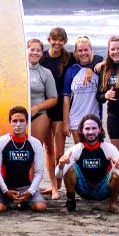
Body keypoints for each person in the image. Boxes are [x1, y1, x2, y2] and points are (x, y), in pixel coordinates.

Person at [56, 114, 119, 213]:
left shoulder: (109, 148)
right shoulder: (76, 149)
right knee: (69, 168)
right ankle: (70, 203)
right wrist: (61, 165)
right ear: (81, 131)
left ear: (100, 130)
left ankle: (113, 204)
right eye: (87, 128)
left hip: (103, 188)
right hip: (83, 188)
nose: (91, 132)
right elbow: (58, 174)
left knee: (117, 174)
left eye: (94, 128)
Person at [0, 106, 48, 212]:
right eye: (14, 121)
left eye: (22, 121)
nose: (18, 124)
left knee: (40, 207)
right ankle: (10, 202)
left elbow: (39, 172)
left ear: (27, 122)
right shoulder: (1, 142)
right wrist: (5, 190)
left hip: (26, 187)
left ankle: (24, 202)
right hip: (7, 187)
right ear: (10, 122)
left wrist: (30, 191)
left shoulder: (35, 143)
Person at [96, 35, 119, 203]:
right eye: (113, 49)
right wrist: (106, 95)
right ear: (108, 52)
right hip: (113, 117)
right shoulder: (105, 70)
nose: (116, 52)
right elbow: (99, 97)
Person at [40, 27, 75, 194]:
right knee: (48, 148)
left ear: (65, 42)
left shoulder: (69, 58)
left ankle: (59, 184)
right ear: (49, 40)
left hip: (61, 107)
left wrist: (93, 68)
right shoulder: (42, 57)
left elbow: (88, 61)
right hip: (45, 106)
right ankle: (53, 186)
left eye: (61, 40)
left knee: (59, 151)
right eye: (54, 39)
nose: (57, 43)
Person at [26, 39, 59, 200]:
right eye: (32, 50)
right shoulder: (17, 70)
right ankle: (21, 186)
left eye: (38, 50)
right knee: (18, 152)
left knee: (34, 152)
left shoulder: (45, 73)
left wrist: (37, 108)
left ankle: (33, 188)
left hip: (39, 115)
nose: (35, 53)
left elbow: (54, 98)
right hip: (18, 116)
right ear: (26, 50)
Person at [63, 35, 103, 143]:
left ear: (91, 50)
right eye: (80, 50)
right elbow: (66, 98)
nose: (83, 53)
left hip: (95, 118)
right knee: (81, 153)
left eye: (86, 50)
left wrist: (91, 67)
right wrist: (66, 123)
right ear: (75, 52)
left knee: (95, 151)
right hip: (76, 118)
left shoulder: (98, 68)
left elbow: (109, 61)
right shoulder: (71, 71)